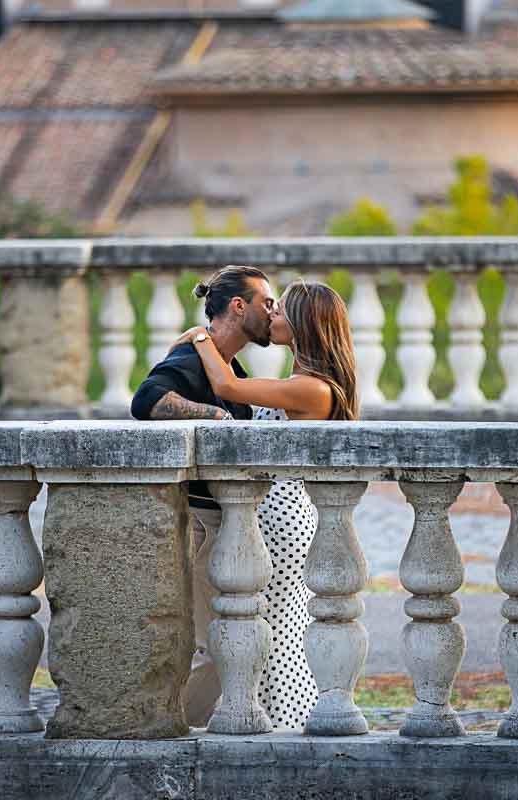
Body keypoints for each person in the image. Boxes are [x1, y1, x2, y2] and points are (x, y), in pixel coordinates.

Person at [172, 279, 359, 729]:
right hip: (270, 515)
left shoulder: (313, 390)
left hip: (280, 519)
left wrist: (199, 336)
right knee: (271, 633)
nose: (271, 316)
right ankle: (272, 722)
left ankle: (280, 726)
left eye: (281, 311)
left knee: (270, 637)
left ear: (304, 325)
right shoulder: (301, 382)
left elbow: (228, 386)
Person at [130, 264, 277, 727]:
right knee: (217, 644)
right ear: (239, 306)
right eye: (266, 303)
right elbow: (146, 399)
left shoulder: (226, 363)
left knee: (231, 638)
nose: (272, 313)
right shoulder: (193, 360)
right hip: (202, 523)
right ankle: (167, 730)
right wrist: (214, 419)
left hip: (225, 522)